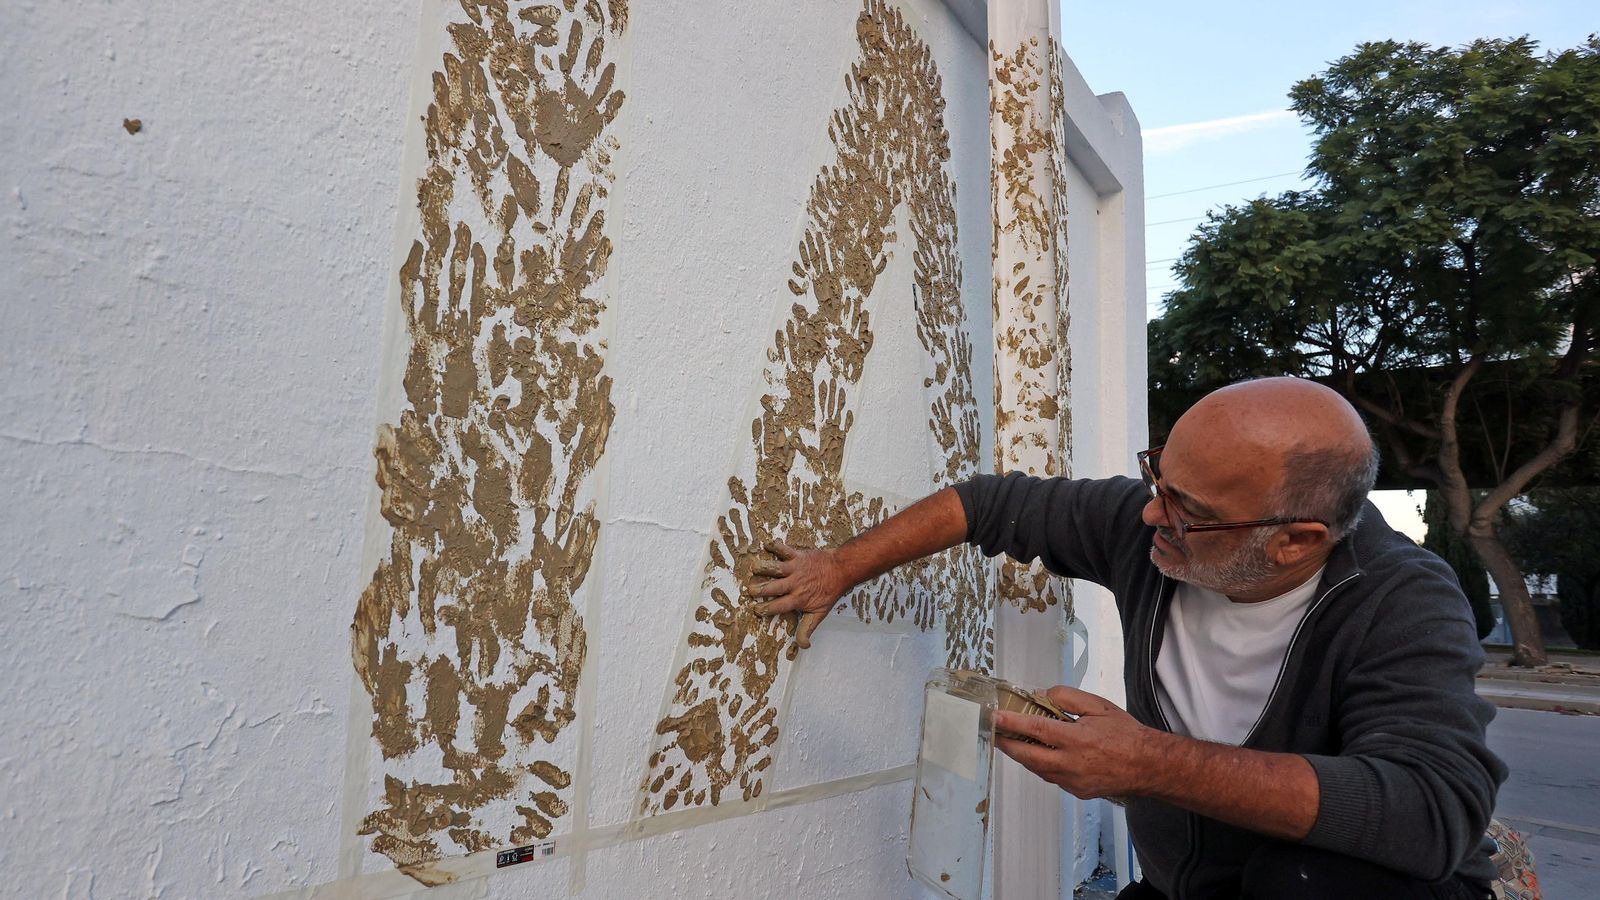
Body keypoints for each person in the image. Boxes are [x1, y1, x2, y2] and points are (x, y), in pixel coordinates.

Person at [748, 377, 1504, 899]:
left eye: (1186, 508)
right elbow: (988, 505)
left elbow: (1430, 810)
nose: (1149, 516)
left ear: (1294, 541)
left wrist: (1153, 765)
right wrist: (840, 567)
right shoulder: (1143, 533)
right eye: (1157, 479)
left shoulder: (1403, 601)